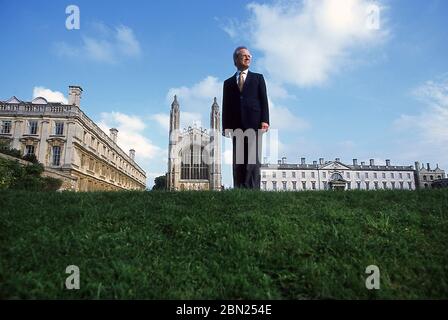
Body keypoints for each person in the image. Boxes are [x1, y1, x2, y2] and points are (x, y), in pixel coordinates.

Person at [222, 46, 270, 189]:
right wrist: (225, 127)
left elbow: (264, 100)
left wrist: (265, 120)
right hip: (236, 124)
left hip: (254, 123)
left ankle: (253, 189)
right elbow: (226, 106)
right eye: (244, 55)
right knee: (239, 158)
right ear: (236, 59)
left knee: (252, 159)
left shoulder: (258, 78)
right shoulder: (228, 83)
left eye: (249, 55)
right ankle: (239, 188)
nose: (248, 57)